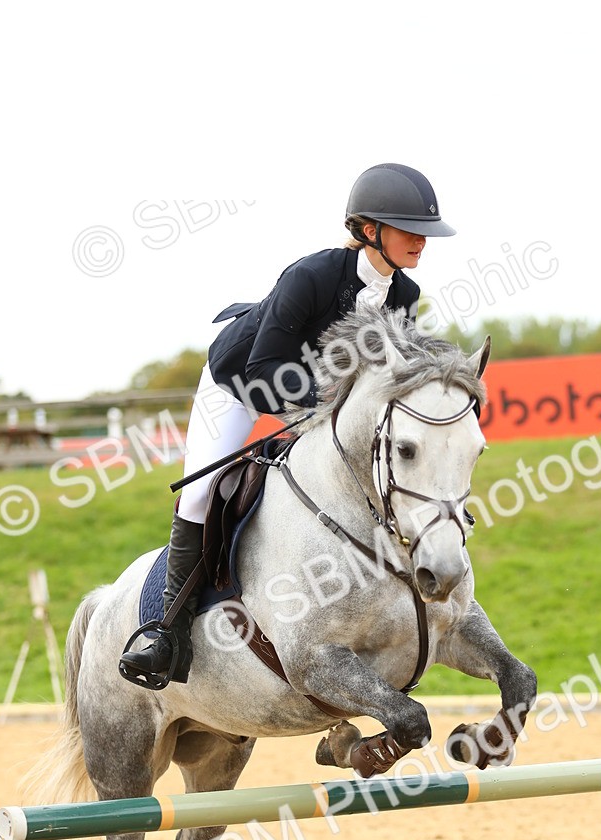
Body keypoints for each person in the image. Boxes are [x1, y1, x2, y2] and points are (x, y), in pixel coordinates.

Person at [119, 163, 456, 689]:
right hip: (239, 385)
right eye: (408, 229)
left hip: (311, 398)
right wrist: (320, 412)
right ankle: (167, 633)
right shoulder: (312, 275)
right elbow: (261, 370)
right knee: (202, 493)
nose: (421, 241)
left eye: (424, 232)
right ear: (370, 231)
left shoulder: (403, 295)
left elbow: (390, 375)